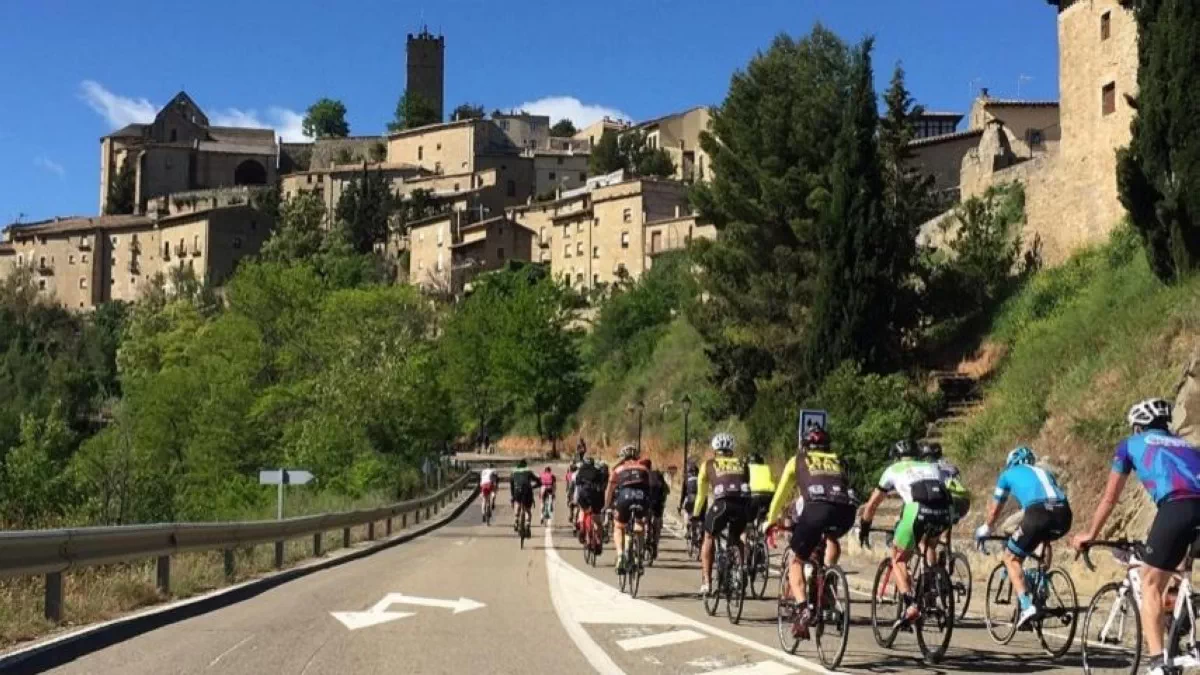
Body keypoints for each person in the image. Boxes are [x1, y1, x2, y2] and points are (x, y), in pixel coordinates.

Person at [1072, 398, 1200, 675]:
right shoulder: (1188, 445)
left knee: (1150, 582)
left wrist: (1090, 534)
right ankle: (1181, 632)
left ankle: (1157, 664)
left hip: (1176, 507)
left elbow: (1110, 498)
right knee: (1175, 573)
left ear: (1138, 427)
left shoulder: (1129, 445)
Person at [763, 427, 857, 638]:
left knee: (796, 560)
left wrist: (770, 521)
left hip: (816, 510)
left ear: (804, 447)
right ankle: (828, 576)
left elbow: (781, 494)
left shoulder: (798, 460)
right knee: (832, 536)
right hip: (846, 511)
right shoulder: (838, 460)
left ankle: (803, 608)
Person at [974, 445, 1071, 630]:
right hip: (1064, 514)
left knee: (1011, 558)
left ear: (1011, 462)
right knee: (1043, 536)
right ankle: (1042, 580)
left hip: (1037, 513)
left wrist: (986, 528)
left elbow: (995, 510)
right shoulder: (1044, 472)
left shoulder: (1007, 474)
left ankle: (1027, 607)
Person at [858, 440, 953, 627]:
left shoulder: (893, 470)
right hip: (945, 512)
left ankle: (911, 606)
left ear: (896, 457)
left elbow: (872, 505)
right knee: (927, 544)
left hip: (917, 510)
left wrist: (865, 528)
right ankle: (931, 583)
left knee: (898, 559)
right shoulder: (929, 466)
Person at [693, 433, 751, 595]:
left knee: (709, 536)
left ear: (715, 449)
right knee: (737, 538)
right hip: (741, 505)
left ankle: (707, 581)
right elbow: (746, 484)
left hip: (722, 504)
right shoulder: (742, 463)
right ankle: (741, 567)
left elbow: (701, 494)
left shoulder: (708, 464)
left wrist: (696, 514)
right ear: (731, 449)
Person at [605, 445, 652, 573]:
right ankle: (638, 557)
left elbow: (609, 490)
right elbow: (651, 487)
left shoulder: (618, 469)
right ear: (637, 457)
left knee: (619, 526)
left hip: (624, 497)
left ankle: (620, 555)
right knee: (639, 524)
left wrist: (607, 505)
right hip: (641, 497)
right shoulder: (644, 468)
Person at [574, 457, 606, 548]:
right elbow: (602, 484)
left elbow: (577, 484)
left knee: (583, 510)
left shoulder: (580, 472)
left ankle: (582, 528)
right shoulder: (597, 471)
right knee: (597, 520)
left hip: (584, 494)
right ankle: (599, 540)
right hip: (596, 496)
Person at [643, 459, 669, 556]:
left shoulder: (642, 475)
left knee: (644, 522)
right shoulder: (657, 475)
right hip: (658, 504)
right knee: (657, 525)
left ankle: (645, 538)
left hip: (646, 504)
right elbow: (667, 490)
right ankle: (655, 544)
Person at [509, 460, 540, 535]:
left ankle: (516, 520)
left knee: (517, 503)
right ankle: (527, 525)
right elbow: (538, 481)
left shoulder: (513, 472)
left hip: (517, 491)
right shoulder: (529, 471)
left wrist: (513, 496)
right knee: (528, 510)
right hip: (527, 491)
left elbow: (511, 486)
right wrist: (533, 487)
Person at [748, 453, 777, 526]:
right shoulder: (767, 467)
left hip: (754, 494)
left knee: (747, 517)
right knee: (766, 513)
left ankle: (746, 531)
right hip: (770, 494)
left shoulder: (748, 467)